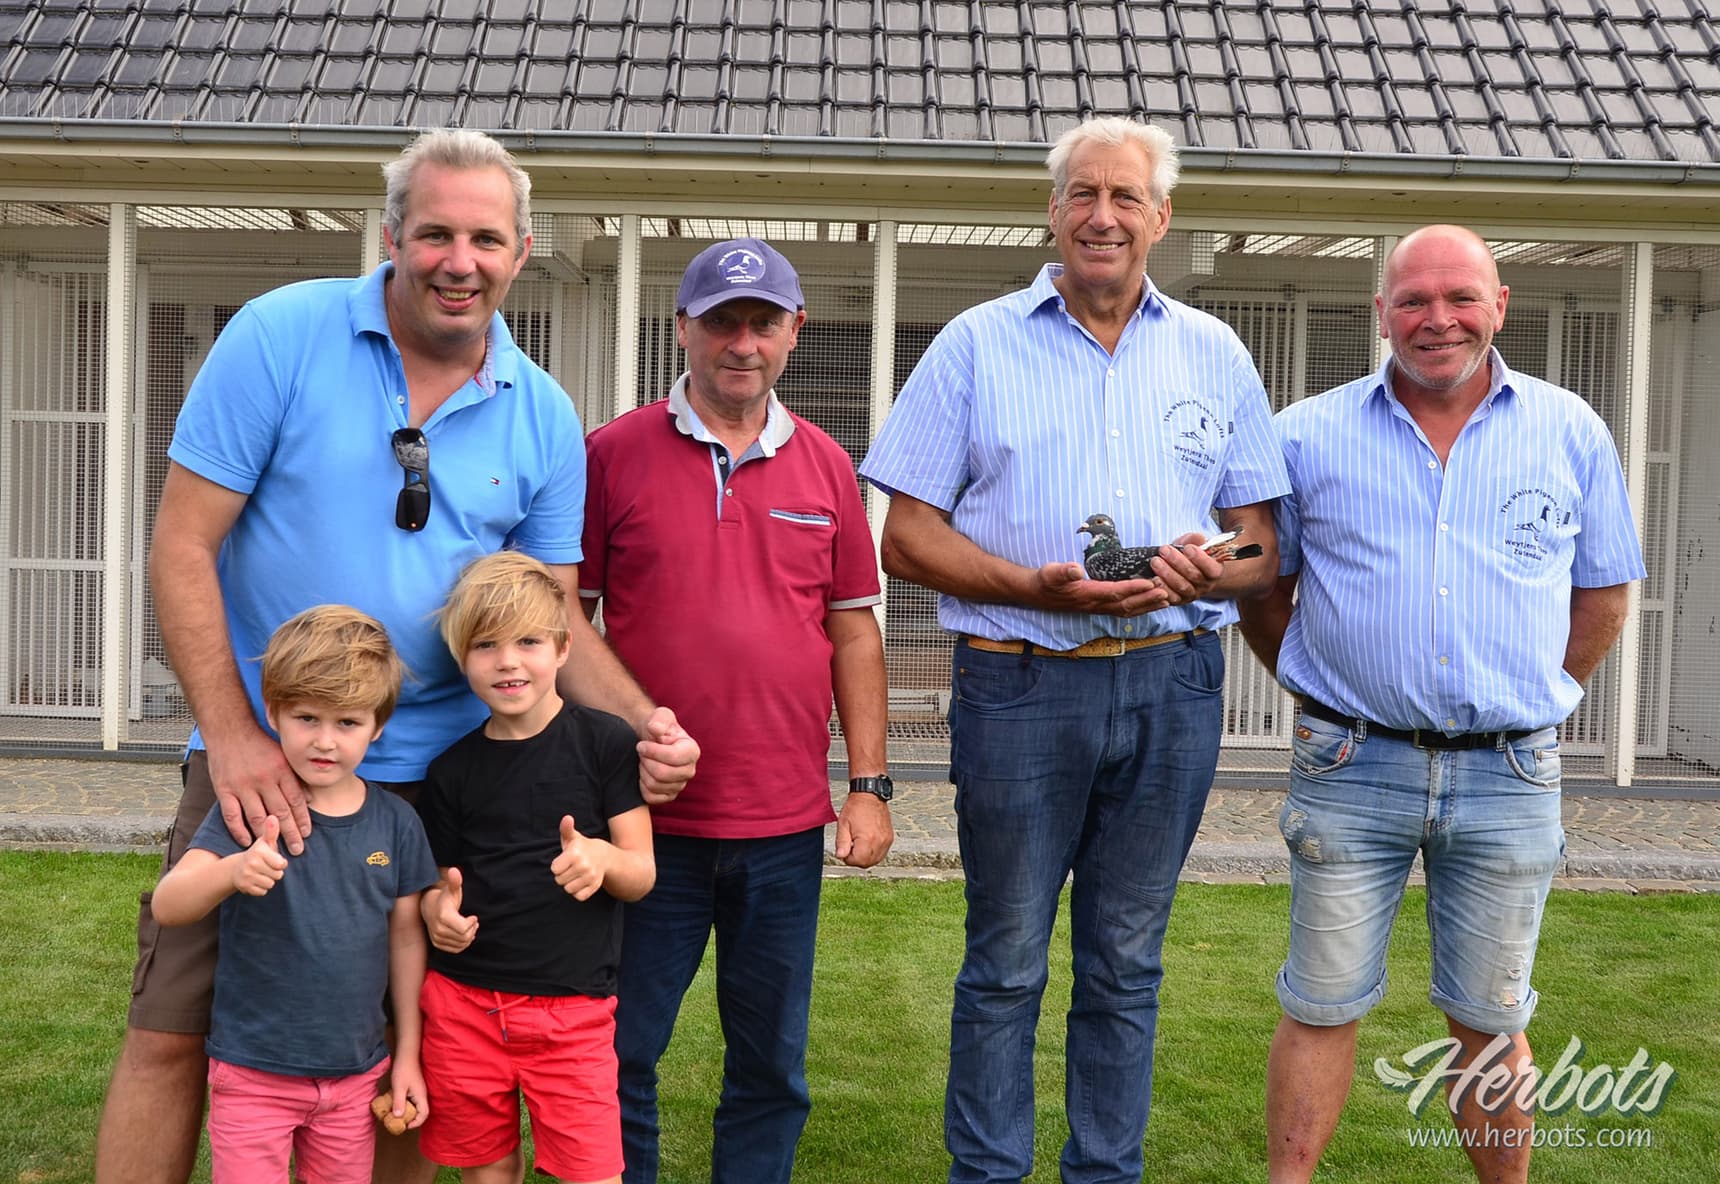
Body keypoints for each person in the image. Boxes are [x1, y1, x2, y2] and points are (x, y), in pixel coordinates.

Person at [96, 128, 698, 1184]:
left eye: (485, 239)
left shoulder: (543, 414)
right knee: (176, 1029)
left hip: (446, 786)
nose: (458, 261)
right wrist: (233, 736)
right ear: (389, 236)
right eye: (434, 234)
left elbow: (554, 610)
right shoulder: (279, 336)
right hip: (265, 761)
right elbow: (182, 546)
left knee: (409, 1044)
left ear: (521, 251)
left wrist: (644, 725)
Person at [859, 117, 1288, 1184]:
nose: (1103, 215)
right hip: (1019, 682)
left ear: (1161, 217)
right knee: (1005, 960)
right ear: (1052, 212)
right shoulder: (976, 344)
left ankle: (1104, 1171)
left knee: (1126, 962)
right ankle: (988, 1172)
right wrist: (1029, 587)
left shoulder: (1215, 352)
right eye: (1082, 194)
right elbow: (903, 537)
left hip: (1173, 683)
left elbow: (1260, 543)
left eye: (1125, 196)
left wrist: (1210, 571)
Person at [1236, 224, 1646, 1184]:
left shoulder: (1570, 430)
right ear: (1381, 313)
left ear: (1499, 305)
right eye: (1414, 299)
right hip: (1351, 766)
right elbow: (1263, 588)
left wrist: (1538, 698)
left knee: (1491, 1020)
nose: (1439, 319)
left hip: (1509, 771)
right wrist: (1314, 680)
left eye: (1461, 296)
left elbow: (1603, 596)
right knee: (1320, 1004)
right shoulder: (1308, 434)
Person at [579, 236, 894, 1184]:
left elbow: (853, 632)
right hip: (643, 822)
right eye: (722, 321)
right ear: (683, 327)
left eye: (763, 323)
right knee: (616, 1052)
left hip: (782, 826)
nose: (742, 342)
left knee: (770, 1067)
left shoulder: (829, 465)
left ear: (795, 331)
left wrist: (869, 785)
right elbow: (564, 621)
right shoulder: (612, 453)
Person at [150, 605, 437, 1182]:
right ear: (274, 711)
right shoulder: (251, 812)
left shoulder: (397, 825)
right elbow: (169, 903)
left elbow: (407, 942)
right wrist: (231, 873)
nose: (325, 741)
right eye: (307, 718)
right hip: (252, 1074)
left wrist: (407, 1053)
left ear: (378, 724)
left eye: (347, 722)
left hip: (354, 1076)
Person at [416, 551, 655, 1184]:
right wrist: (437, 911)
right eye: (485, 645)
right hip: (464, 1006)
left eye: (527, 642)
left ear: (563, 648)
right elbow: (438, 883)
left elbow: (641, 871)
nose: (507, 661)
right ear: (462, 658)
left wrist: (602, 857)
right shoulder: (449, 771)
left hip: (573, 1012)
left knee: (591, 1172)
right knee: (487, 1168)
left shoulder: (606, 743)